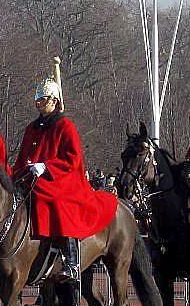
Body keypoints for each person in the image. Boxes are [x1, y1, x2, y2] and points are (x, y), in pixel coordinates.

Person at [11, 66, 117, 281]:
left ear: (55, 101)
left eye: (44, 99)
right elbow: (22, 157)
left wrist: (46, 167)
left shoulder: (65, 126)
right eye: (38, 99)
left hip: (61, 180)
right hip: (33, 179)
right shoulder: (32, 128)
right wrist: (17, 176)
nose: (39, 103)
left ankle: (71, 260)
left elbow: (72, 158)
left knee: (58, 204)